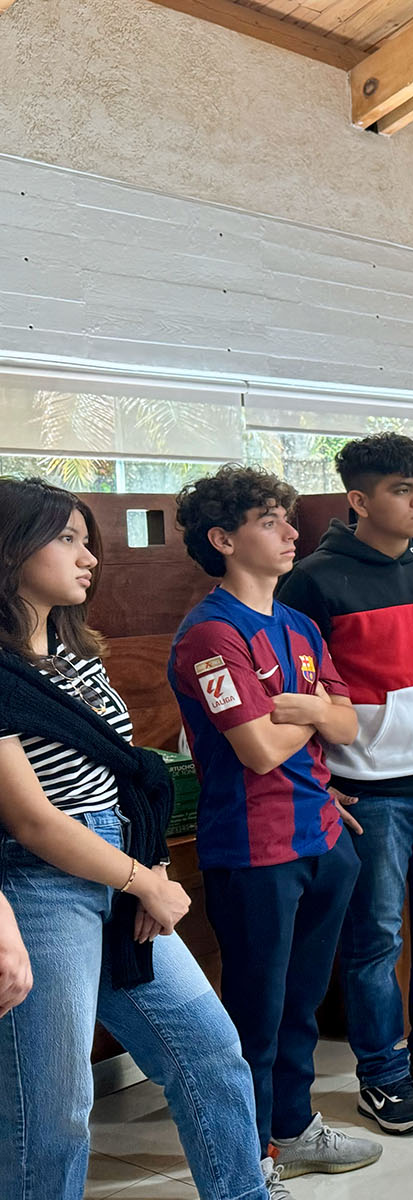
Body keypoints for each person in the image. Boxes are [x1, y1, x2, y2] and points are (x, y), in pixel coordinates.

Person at [0, 477, 269, 1200]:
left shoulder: (75, 654)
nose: (89, 558)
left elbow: (121, 778)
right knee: (51, 1114)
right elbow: (30, 818)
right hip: (37, 883)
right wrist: (141, 879)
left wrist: (146, 865)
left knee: (209, 1052)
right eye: (67, 539)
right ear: (10, 546)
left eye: (89, 541)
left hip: (118, 864)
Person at [276, 434, 413, 1136]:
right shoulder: (312, 581)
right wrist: (317, 781)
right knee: (374, 940)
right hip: (370, 791)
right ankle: (383, 1073)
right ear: (358, 499)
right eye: (402, 488)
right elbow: (291, 691)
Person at [168, 467, 381, 1183]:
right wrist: (311, 707)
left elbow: (348, 725)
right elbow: (256, 750)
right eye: (270, 521)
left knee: (302, 1007)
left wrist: (311, 707)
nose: (293, 533)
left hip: (323, 838)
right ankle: (249, 1160)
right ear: (224, 539)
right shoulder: (209, 635)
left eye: (288, 519)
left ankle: (293, 1127)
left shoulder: (298, 625)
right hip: (255, 852)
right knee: (255, 1017)